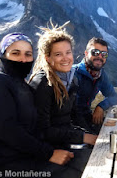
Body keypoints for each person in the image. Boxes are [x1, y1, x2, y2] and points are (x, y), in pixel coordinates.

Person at [0, 33, 78, 177]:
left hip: (29, 156)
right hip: (5, 166)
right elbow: (8, 130)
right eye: (16, 53)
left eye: (28, 54)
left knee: (82, 162)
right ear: (4, 55)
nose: (23, 60)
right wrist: (50, 153)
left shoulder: (25, 87)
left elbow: (36, 128)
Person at [29, 22, 97, 176]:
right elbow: (41, 130)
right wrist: (83, 137)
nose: (65, 58)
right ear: (48, 58)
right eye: (58, 54)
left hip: (64, 142)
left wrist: (89, 133)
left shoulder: (72, 79)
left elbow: (73, 116)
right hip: (46, 152)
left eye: (68, 52)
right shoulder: (42, 84)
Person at [73, 37, 117, 134]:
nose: (100, 57)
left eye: (104, 54)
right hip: (71, 124)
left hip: (87, 119)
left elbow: (113, 96)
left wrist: (101, 107)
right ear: (86, 53)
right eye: (95, 52)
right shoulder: (73, 73)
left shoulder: (100, 75)